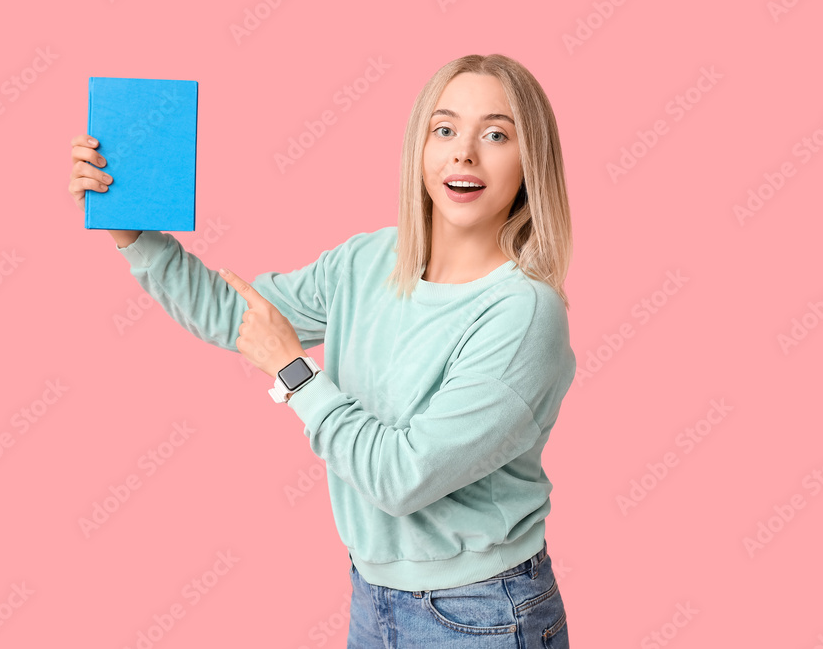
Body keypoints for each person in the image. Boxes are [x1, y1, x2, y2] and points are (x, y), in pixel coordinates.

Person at [68, 53, 575, 648]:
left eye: (495, 134)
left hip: (483, 611)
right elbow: (236, 316)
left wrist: (295, 374)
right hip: (373, 594)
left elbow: (402, 477)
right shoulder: (368, 262)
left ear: (530, 161)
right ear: (419, 148)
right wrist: (128, 226)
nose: (463, 152)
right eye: (444, 129)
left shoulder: (523, 314)